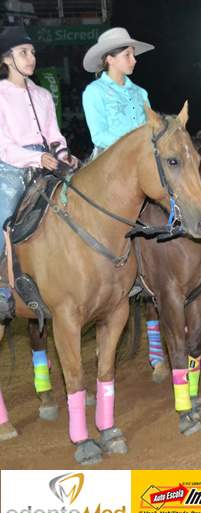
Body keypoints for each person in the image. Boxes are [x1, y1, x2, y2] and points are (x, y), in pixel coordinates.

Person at [0, 27, 78, 318]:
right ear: (6, 59)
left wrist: (63, 154)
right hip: (11, 168)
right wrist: (37, 157)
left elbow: (54, 134)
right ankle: (1, 287)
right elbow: (3, 145)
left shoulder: (43, 95)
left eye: (32, 52)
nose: (31, 58)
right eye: (23, 53)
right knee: (3, 215)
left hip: (46, 164)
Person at [81, 27, 154, 158]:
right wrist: (132, 146)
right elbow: (99, 135)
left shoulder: (141, 93)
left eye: (133, 55)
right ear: (110, 59)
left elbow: (151, 126)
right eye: (127, 55)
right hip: (111, 159)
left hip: (143, 156)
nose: (134, 60)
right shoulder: (94, 91)